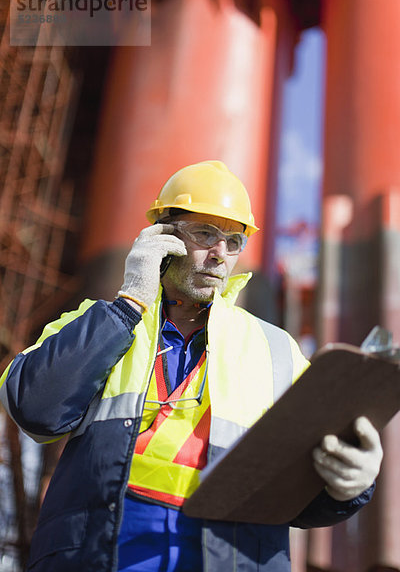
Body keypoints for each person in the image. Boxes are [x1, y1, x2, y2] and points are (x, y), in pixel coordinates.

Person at [0, 161, 382, 572]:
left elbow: (300, 494)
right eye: (205, 234)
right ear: (160, 236)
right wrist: (129, 304)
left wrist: (352, 485)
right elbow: (35, 409)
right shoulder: (96, 322)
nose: (220, 255)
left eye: (234, 241)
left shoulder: (277, 350)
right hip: (99, 555)